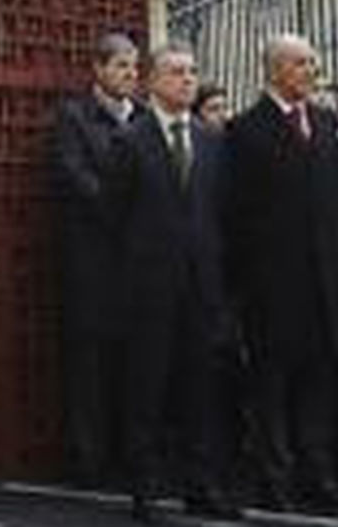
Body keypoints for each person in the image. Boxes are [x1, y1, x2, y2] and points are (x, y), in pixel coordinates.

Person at [106, 44, 237, 522]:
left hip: (201, 290)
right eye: (177, 72)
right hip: (148, 292)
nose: (187, 80)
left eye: (193, 72)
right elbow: (113, 217)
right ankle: (145, 492)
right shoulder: (129, 140)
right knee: (147, 393)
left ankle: (201, 487)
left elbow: (219, 215)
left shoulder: (211, 141)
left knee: (201, 393)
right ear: (154, 82)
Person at [226, 33, 338, 510]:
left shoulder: (325, 123)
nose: (312, 71)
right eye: (302, 63)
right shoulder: (245, 129)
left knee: (318, 387)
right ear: (275, 69)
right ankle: (275, 481)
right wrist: (241, 292)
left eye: (313, 63)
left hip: (325, 286)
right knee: (272, 390)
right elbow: (235, 216)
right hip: (271, 289)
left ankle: (317, 476)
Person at [50, 32, 141, 487]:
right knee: (89, 366)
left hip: (136, 265)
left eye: (134, 67)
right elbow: (75, 176)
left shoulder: (142, 119)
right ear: (99, 69)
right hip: (92, 263)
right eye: (122, 66)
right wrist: (124, 210)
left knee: (131, 363)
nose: (130, 75)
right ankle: (89, 461)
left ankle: (131, 457)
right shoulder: (74, 118)